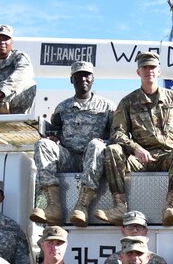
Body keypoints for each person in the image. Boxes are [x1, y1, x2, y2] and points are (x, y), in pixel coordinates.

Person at [99, 51, 173, 226]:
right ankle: (119, 206)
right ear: (138, 72)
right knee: (112, 150)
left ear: (159, 71)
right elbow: (117, 133)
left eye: (152, 67)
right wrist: (135, 148)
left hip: (168, 157)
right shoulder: (128, 102)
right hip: (141, 159)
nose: (149, 71)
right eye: (144, 67)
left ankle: (170, 205)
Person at [30, 61, 115, 227]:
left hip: (93, 160)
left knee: (96, 145)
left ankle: (82, 206)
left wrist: (104, 142)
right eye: (78, 76)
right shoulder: (62, 108)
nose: (83, 79)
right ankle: (54, 206)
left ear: (93, 79)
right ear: (71, 80)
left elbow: (117, 136)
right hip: (69, 158)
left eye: (86, 75)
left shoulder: (107, 107)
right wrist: (53, 140)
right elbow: (55, 132)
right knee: (42, 144)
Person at [95, 210, 173, 264]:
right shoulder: (111, 261)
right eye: (130, 226)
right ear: (123, 230)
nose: (135, 231)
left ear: (146, 231)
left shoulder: (158, 262)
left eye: (139, 227)